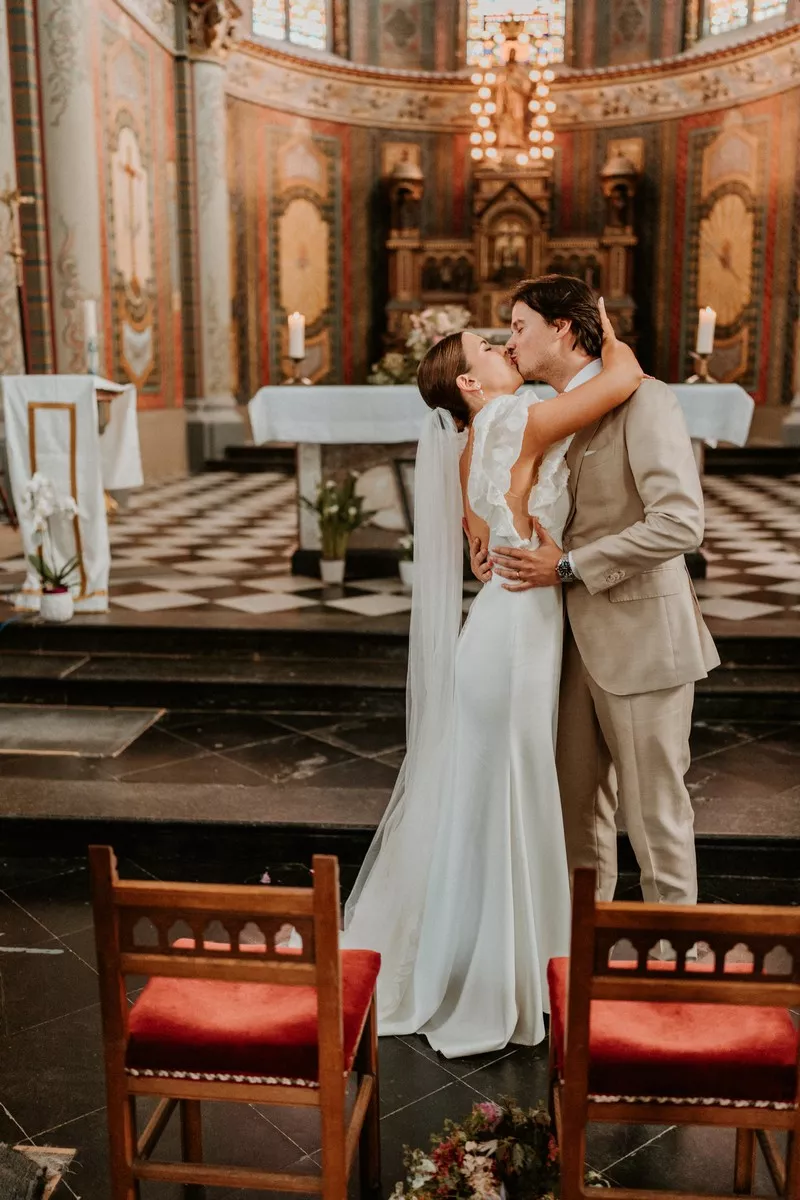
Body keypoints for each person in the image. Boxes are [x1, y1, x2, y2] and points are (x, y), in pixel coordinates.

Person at [342, 300, 642, 1058]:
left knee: (491, 798)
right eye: (491, 346)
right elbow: (623, 380)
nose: (507, 349)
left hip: (500, 628)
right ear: (470, 384)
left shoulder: (470, 444)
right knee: (510, 793)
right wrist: (602, 335)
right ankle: (508, 972)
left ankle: (492, 954)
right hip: (513, 638)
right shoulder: (510, 418)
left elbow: (483, 549)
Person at [471, 275, 720, 906]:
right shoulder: (542, 416)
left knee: (653, 813)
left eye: (520, 325)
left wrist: (569, 566)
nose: (510, 340)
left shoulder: (645, 400)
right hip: (560, 645)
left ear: (563, 328)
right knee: (576, 816)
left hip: (638, 636)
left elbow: (680, 523)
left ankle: (671, 962)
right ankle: (584, 961)